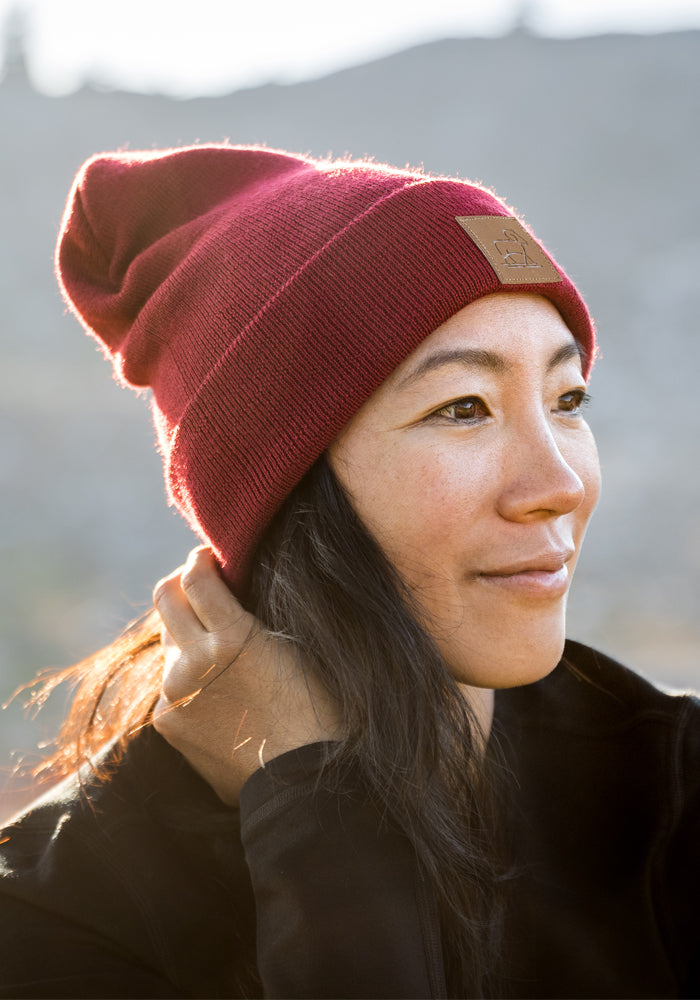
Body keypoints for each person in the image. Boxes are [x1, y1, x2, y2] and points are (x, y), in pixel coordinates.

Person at [0, 144, 697, 999]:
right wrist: (326, 828)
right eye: (463, 408)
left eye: (567, 401)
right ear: (284, 487)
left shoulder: (675, 792)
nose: (558, 485)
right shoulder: (55, 917)